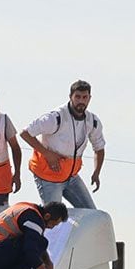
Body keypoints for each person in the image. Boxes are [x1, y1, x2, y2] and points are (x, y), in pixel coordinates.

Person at [22, 80, 105, 210]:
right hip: (48, 176)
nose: (81, 101)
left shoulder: (92, 121)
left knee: (91, 213)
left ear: (90, 98)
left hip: (71, 176)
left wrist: (96, 172)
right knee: (53, 217)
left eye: (85, 97)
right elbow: (25, 133)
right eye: (77, 97)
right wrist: (47, 154)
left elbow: (99, 148)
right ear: (70, 96)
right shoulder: (56, 117)